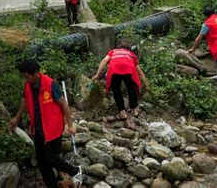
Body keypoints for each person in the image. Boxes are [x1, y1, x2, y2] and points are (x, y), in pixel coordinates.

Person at [9, 60, 83, 188]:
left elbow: (64, 104)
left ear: (36, 73)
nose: (25, 79)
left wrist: (70, 125)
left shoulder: (50, 85)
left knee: (52, 158)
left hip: (52, 129)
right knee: (42, 162)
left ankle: (75, 171)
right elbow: (25, 101)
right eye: (24, 77)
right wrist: (16, 118)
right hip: (38, 129)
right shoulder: (28, 85)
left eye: (27, 76)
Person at [92, 40, 149, 129]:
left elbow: (104, 60)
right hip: (129, 69)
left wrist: (97, 75)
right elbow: (140, 72)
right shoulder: (131, 54)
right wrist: (146, 85)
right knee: (131, 89)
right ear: (129, 49)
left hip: (115, 70)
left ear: (118, 47)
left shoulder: (113, 52)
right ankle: (134, 110)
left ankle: (122, 113)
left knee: (116, 90)